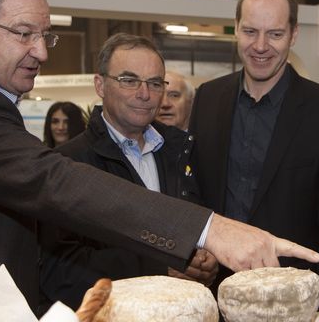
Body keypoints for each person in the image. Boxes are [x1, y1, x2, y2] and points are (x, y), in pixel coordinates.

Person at [0, 0, 319, 320]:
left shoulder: (181, 147)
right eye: (24, 34)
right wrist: (210, 230)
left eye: (45, 35)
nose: (42, 52)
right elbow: (52, 181)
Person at [189, 0, 319, 318]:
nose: (261, 46)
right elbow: (195, 190)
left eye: (275, 34)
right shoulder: (207, 98)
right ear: (235, 29)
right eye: (250, 31)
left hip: (292, 301)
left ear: (293, 35)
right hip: (214, 295)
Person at [39, 34, 218, 310]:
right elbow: (58, 271)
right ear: (100, 85)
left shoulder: (182, 152)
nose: (144, 94)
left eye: (155, 83)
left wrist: (205, 259)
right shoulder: (69, 163)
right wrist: (158, 268)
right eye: (129, 80)